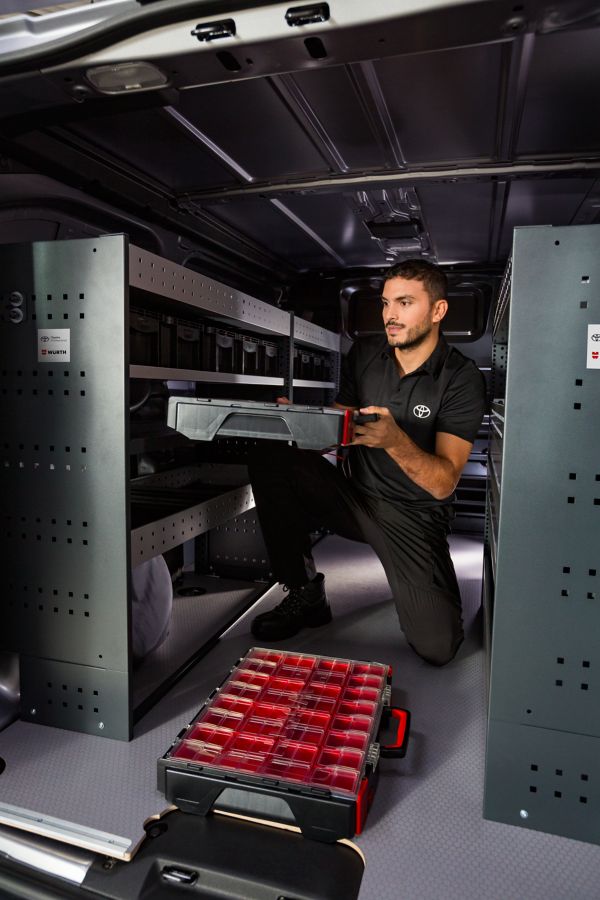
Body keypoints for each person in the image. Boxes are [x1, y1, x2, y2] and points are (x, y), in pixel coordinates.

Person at [248, 259, 487, 666]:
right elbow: (337, 426)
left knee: (438, 647)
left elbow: (444, 482)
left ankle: (425, 588)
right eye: (386, 303)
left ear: (437, 311)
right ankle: (305, 593)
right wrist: (301, 424)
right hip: (355, 499)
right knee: (271, 452)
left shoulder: (460, 378)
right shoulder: (366, 353)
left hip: (413, 519)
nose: (390, 315)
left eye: (405, 303)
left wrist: (396, 441)